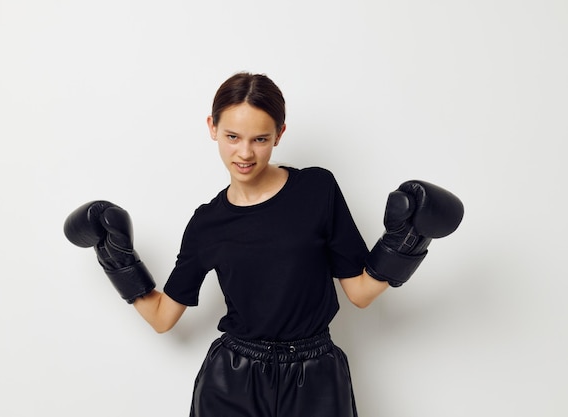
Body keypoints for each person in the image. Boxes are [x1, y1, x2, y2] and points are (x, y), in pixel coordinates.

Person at [64, 72, 464, 417]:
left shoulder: (317, 189)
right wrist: (115, 258)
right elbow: (162, 318)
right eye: (232, 136)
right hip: (233, 378)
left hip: (316, 376)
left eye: (260, 138)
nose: (244, 152)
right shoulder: (207, 223)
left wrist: (409, 240)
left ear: (280, 134)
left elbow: (359, 292)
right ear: (212, 127)